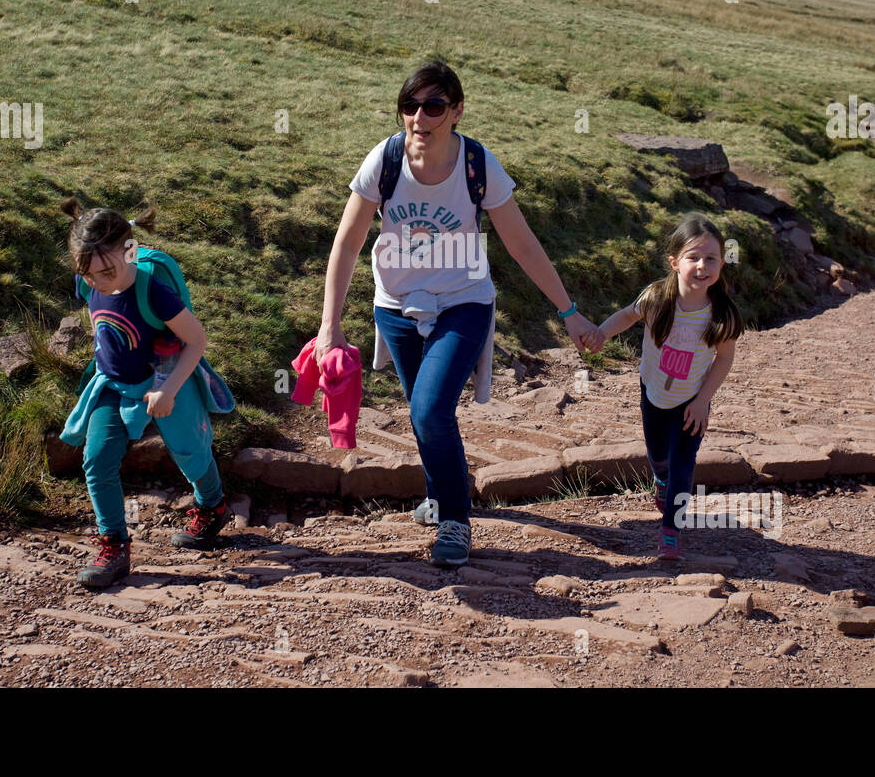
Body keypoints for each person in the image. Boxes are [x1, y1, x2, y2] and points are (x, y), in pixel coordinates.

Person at [314, 60, 597, 566]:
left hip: (464, 302)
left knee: (428, 410)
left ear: (457, 111)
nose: (419, 117)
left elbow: (523, 245)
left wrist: (569, 312)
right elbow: (347, 244)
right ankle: (441, 491)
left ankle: (455, 521)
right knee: (426, 411)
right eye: (410, 106)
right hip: (396, 306)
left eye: (434, 106)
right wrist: (328, 327)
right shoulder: (385, 160)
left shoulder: (477, 165)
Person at [58, 200, 232, 588]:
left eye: (107, 272)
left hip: (167, 379)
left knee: (191, 451)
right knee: (97, 458)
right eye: (87, 275)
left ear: (130, 251)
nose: (98, 283)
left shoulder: (153, 292)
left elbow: (197, 339)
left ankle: (213, 505)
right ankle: (114, 546)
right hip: (113, 383)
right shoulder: (90, 278)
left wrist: (167, 388)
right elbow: (101, 316)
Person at [586, 213, 743, 560]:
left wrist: (703, 400)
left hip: (691, 402)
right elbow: (628, 316)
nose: (702, 266)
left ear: (722, 263)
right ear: (674, 262)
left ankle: (671, 528)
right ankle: (660, 479)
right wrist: (600, 333)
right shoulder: (657, 298)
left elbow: (724, 359)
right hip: (653, 393)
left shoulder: (722, 313)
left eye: (711, 258)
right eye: (693, 257)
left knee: (683, 463)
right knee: (658, 454)